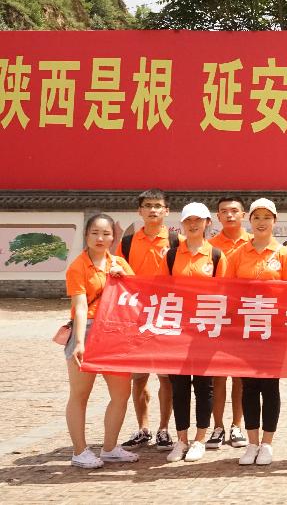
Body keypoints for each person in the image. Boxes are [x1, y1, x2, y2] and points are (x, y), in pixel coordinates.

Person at [224, 198, 287, 466]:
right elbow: (228, 292)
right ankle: (252, 443)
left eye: (267, 217)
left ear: (275, 221)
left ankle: (267, 443)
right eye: (257, 217)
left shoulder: (284, 254)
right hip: (246, 329)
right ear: (250, 220)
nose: (261, 222)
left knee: (269, 386)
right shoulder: (238, 254)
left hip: (273, 331)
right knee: (248, 387)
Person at [64, 213, 138, 468]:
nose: (100, 238)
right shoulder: (78, 267)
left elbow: (138, 295)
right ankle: (79, 451)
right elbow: (80, 306)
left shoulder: (119, 262)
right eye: (95, 233)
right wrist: (80, 342)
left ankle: (110, 447)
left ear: (113, 237)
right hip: (88, 330)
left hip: (117, 333)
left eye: (106, 233)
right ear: (86, 235)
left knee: (121, 394)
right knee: (80, 394)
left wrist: (124, 276)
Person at [166, 202, 227, 462]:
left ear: (207, 223)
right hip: (178, 330)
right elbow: (160, 290)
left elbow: (224, 294)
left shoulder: (216, 255)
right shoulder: (171, 255)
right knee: (179, 386)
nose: (193, 225)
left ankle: (200, 439)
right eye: (188, 220)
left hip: (206, 330)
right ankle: (181, 439)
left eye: (198, 220)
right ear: (181, 224)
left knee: (204, 386)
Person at [117, 188, 175, 451]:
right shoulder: (128, 242)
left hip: (166, 315)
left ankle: (164, 429)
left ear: (167, 211)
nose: (153, 210)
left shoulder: (175, 241)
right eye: (148, 205)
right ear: (139, 211)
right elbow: (118, 275)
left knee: (166, 377)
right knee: (138, 377)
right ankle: (143, 428)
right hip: (136, 318)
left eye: (158, 206)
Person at [207, 196, 250, 450]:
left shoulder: (252, 242)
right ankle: (217, 426)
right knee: (218, 376)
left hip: (245, 316)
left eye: (235, 211)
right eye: (224, 211)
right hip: (217, 316)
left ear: (243, 215)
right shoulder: (210, 246)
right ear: (218, 217)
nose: (230, 215)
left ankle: (237, 425)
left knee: (240, 376)